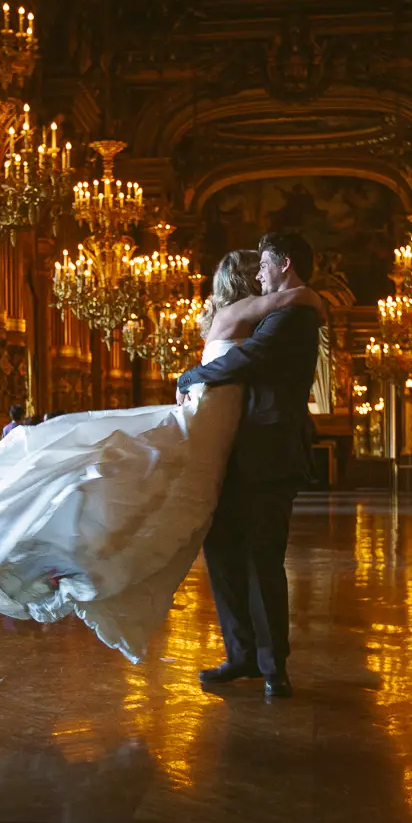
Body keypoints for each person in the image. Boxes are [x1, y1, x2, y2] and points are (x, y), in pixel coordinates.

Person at [0, 247, 323, 667]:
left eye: (266, 267)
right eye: (257, 269)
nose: (263, 275)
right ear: (244, 280)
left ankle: (242, 650)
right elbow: (295, 300)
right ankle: (59, 553)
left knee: (159, 511)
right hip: (203, 426)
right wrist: (310, 292)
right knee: (128, 484)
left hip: (220, 436)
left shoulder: (243, 316)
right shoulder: (244, 314)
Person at [176, 231, 321, 699]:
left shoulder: (296, 314)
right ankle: (240, 654)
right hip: (235, 453)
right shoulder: (277, 309)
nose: (258, 273)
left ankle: (272, 664)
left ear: (285, 263)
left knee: (262, 561)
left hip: (270, 453)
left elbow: (247, 360)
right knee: (222, 556)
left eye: (264, 264)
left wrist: (191, 374)